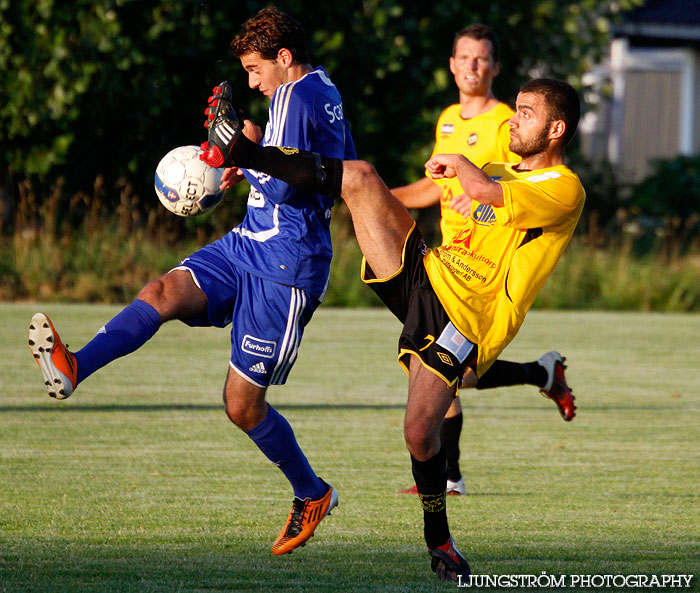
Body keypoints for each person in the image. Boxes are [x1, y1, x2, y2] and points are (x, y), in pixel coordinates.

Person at [199, 76, 584, 581]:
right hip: (429, 273)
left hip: (464, 319)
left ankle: (440, 543)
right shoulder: (498, 167)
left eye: (526, 113)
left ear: (556, 129)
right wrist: (448, 176)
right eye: (515, 108)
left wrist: (463, 170)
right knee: (358, 178)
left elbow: (485, 190)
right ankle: (247, 150)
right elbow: (469, 193)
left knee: (419, 435)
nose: (513, 118)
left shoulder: (564, 188)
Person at [28, 7, 355, 557]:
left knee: (241, 406)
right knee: (161, 293)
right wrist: (246, 154)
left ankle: (312, 492)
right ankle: (74, 365)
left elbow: (307, 186)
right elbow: (292, 166)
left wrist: (242, 158)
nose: (251, 81)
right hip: (248, 241)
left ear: (283, 58)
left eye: (255, 69)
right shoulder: (305, 91)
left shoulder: (298, 98)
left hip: (287, 267)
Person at [392, 24, 573, 496]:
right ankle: (538, 375)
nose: (472, 66)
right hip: (447, 258)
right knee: (450, 376)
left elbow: (499, 189)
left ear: (493, 67)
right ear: (451, 65)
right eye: (464, 57)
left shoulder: (506, 126)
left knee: (447, 377)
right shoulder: (449, 118)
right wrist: (380, 198)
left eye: (481, 58)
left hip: (483, 277)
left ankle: (448, 476)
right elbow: (437, 185)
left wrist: (479, 198)